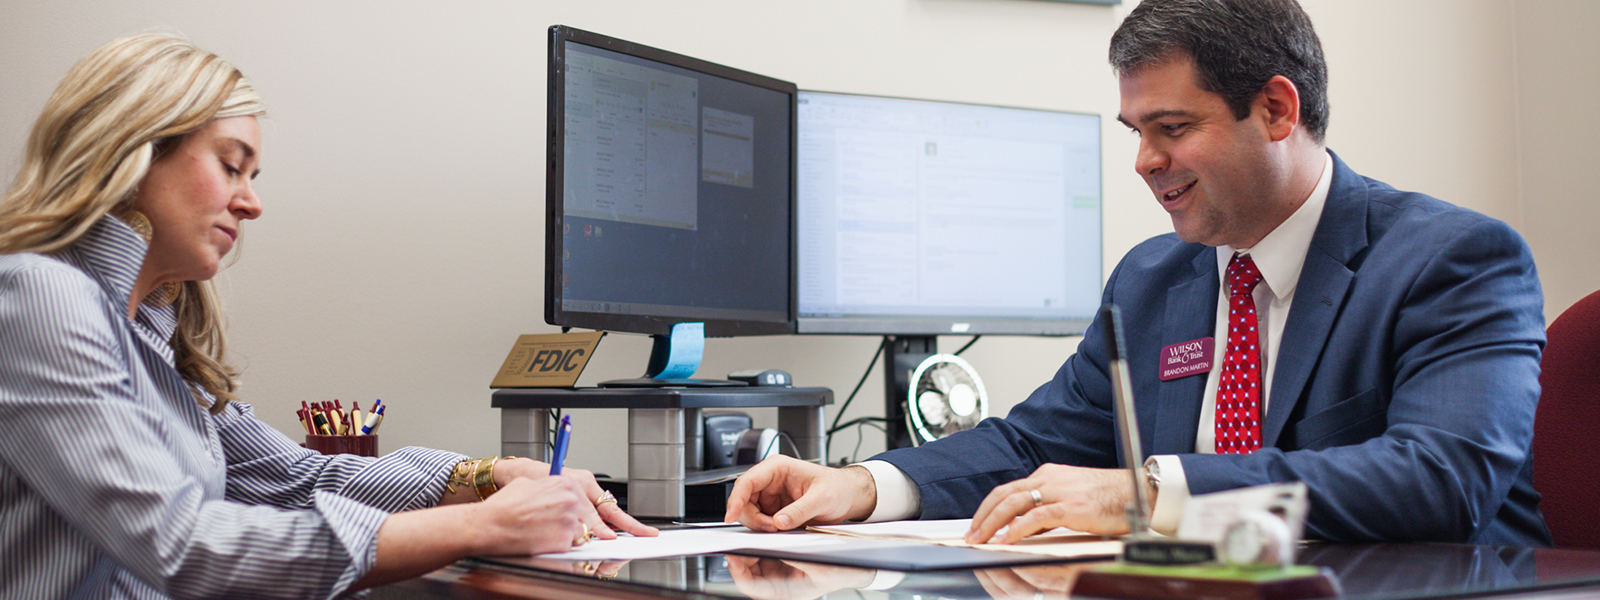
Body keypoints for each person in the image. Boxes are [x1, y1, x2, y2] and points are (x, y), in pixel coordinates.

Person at [727, 0, 1550, 548]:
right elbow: (1032, 443)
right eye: (1135, 131)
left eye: (1172, 127)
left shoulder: (1452, 259)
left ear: (1276, 110)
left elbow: (1443, 477)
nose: (1145, 162)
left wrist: (1150, 496)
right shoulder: (1155, 279)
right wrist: (863, 484)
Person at [0, 33, 655, 599]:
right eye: (231, 166)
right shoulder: (38, 295)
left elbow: (300, 478)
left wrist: (486, 477)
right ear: (129, 151)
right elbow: (182, 544)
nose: (251, 204)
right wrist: (486, 525)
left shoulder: (153, 338)